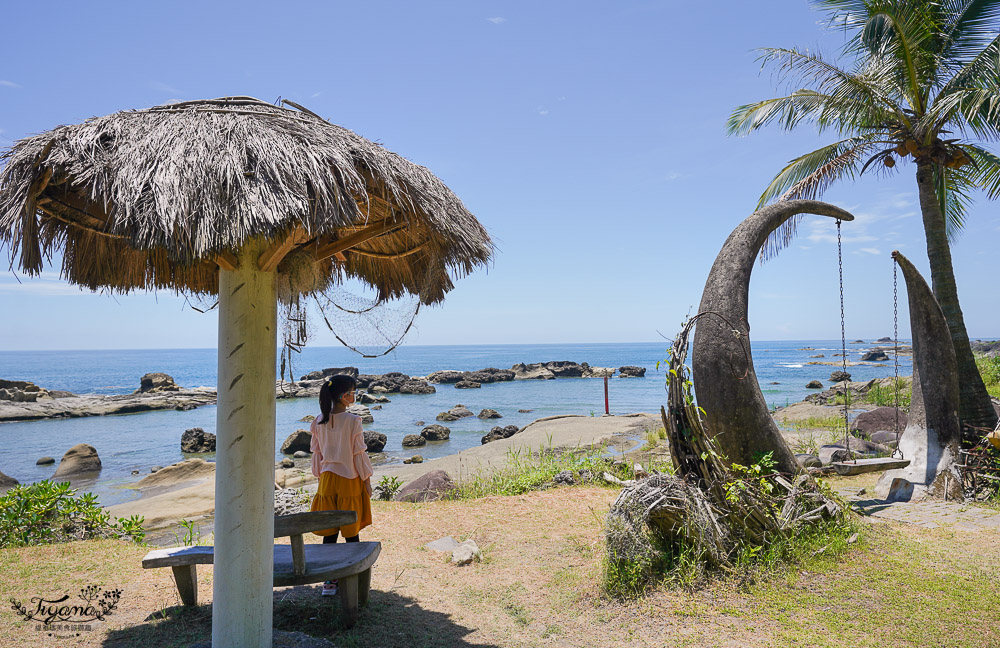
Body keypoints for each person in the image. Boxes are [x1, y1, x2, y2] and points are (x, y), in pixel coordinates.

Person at [309, 374, 373, 596]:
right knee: (350, 532)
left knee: (330, 531)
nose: (354, 396)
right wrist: (367, 481)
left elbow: (316, 456)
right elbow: (359, 455)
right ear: (345, 396)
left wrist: (322, 477)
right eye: (353, 392)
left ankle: (329, 581)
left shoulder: (318, 421)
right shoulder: (353, 421)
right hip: (349, 479)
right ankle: (350, 576)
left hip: (327, 480)